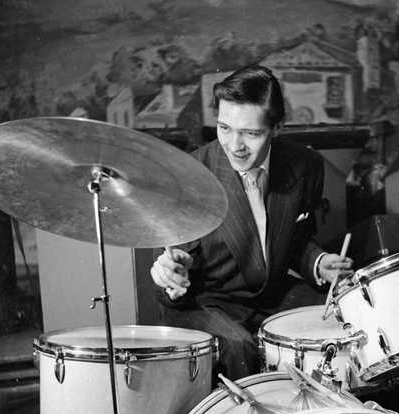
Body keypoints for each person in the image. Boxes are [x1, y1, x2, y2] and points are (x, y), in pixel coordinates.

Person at [150, 65, 353, 379]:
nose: (235, 145)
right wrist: (171, 273)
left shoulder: (306, 164)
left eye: (251, 133)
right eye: (225, 128)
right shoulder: (191, 173)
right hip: (207, 300)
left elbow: (295, 240)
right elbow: (176, 266)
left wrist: (319, 262)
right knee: (239, 348)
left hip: (272, 293)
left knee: (343, 319)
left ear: (277, 128)